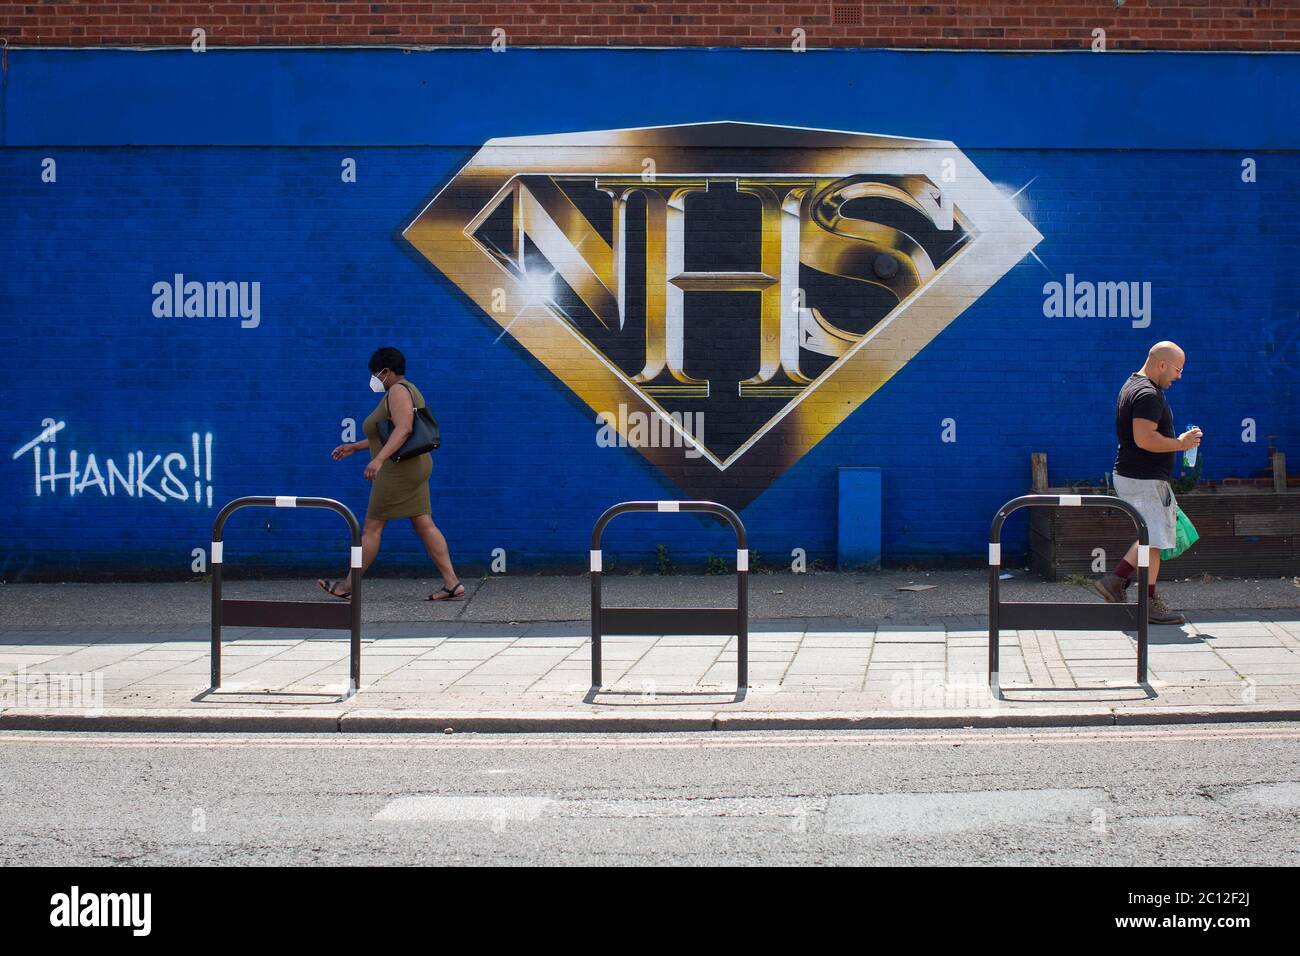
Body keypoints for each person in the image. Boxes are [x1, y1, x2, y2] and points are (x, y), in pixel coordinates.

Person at [316, 346, 465, 602]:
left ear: (387, 371)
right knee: (424, 524)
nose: (374, 378)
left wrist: (378, 460)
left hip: (399, 470)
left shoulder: (397, 391)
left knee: (372, 529)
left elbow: (404, 429)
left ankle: (347, 586)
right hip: (413, 465)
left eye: (376, 373)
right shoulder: (409, 388)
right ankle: (452, 583)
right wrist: (356, 447)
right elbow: (385, 433)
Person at [1093, 341, 1202, 624]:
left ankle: (1115, 582)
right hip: (1143, 478)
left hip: (1137, 476)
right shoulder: (1146, 394)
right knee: (1153, 540)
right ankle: (1148, 602)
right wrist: (1180, 444)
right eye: (1177, 369)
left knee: (1150, 536)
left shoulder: (1134, 385)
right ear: (1162, 364)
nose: (1179, 376)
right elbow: (1145, 438)